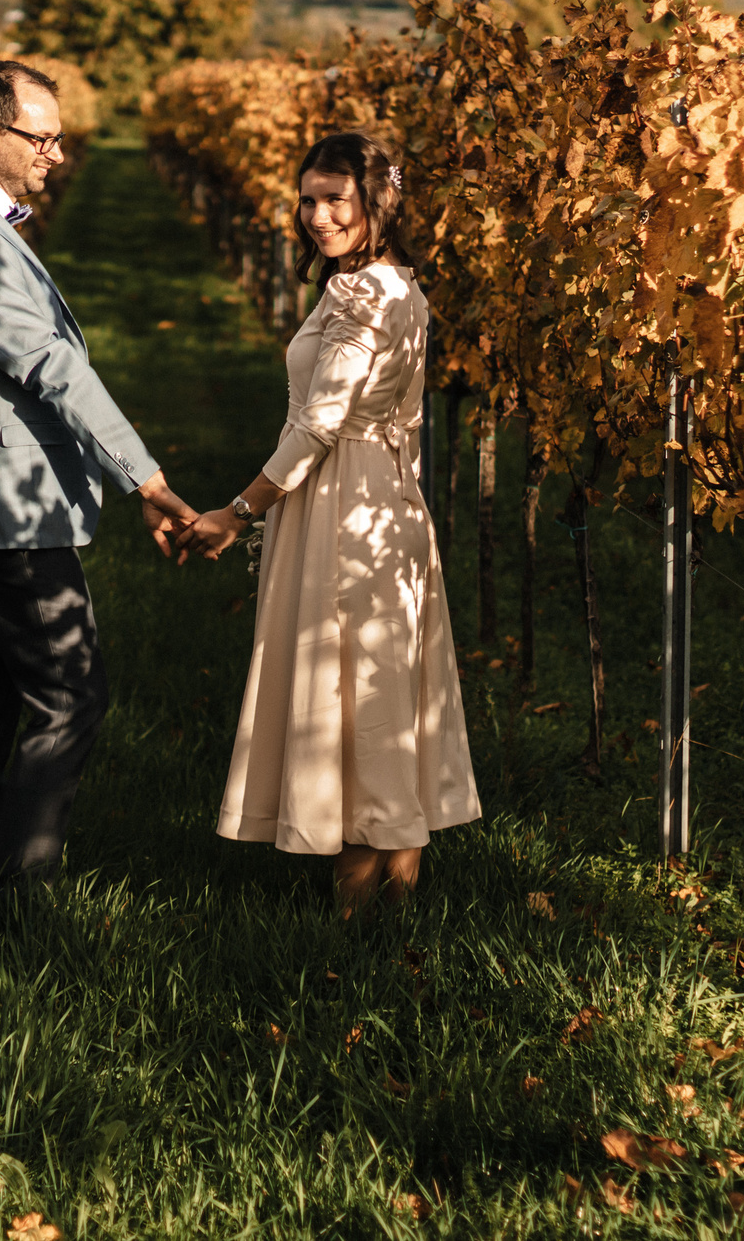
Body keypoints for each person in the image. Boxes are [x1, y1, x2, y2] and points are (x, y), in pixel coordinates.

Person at [0, 59, 199, 899]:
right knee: (70, 695)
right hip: (11, 506)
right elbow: (50, 367)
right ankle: (20, 892)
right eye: (43, 138)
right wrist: (146, 479)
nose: (58, 155)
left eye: (61, 139)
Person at [174, 131, 482, 913]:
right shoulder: (394, 283)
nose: (316, 214)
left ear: (375, 200)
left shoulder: (363, 292)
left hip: (347, 510)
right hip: (388, 504)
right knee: (387, 694)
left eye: (334, 198)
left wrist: (236, 513)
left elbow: (319, 424)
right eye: (308, 198)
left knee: (352, 701)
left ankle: (350, 925)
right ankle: (397, 918)